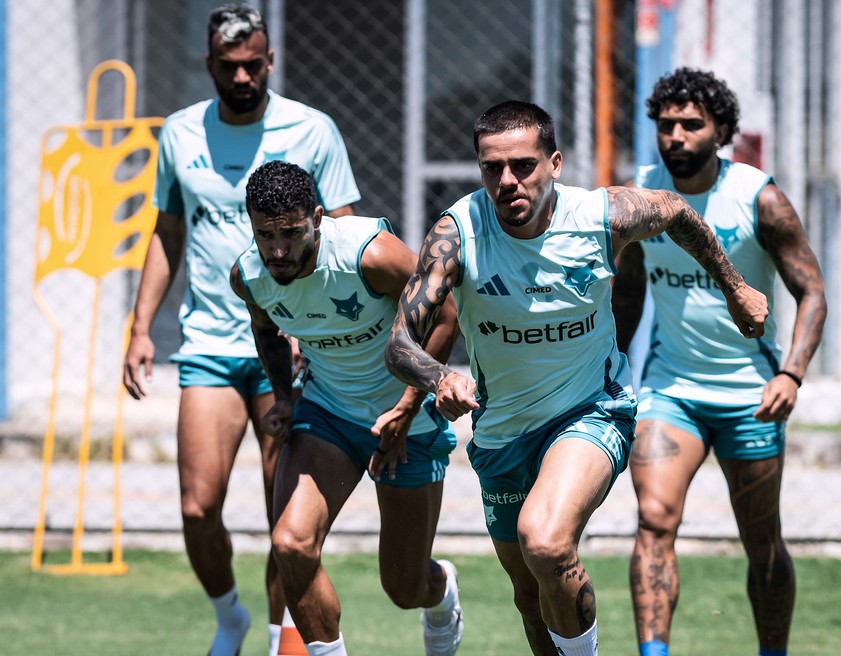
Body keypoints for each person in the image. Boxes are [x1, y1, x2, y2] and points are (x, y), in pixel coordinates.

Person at [385, 100, 770, 656]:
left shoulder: (598, 215)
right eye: (492, 168)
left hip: (591, 411)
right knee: (529, 595)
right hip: (503, 433)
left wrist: (734, 286)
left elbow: (675, 211)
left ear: (555, 163)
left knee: (545, 542)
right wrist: (439, 375)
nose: (508, 181)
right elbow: (399, 343)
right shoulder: (458, 232)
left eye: (523, 165)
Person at [121, 6, 361, 655]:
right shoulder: (179, 133)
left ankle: (286, 636)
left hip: (289, 346)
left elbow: (345, 237)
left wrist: (330, 332)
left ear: (271, 60)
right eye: (230, 67)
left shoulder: (312, 130)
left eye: (254, 63)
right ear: (210, 67)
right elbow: (168, 230)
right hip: (210, 345)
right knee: (198, 507)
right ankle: (230, 616)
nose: (243, 75)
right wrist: (141, 326)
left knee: (283, 517)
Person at [612, 68, 827, 656]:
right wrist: (608, 369)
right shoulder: (642, 196)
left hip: (751, 395)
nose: (675, 136)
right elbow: (628, 293)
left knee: (761, 542)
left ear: (722, 130)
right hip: (669, 390)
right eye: (665, 125)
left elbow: (812, 292)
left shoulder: (759, 198)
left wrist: (791, 373)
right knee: (654, 520)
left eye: (691, 124)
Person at [230, 160, 465, 656]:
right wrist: (286, 399)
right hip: (328, 416)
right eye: (264, 234)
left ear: (317, 217)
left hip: (409, 422)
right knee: (292, 543)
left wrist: (406, 407)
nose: (277, 250)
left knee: (404, 589)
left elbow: (446, 314)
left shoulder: (369, 255)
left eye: (291, 233)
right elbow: (267, 330)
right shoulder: (249, 276)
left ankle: (441, 588)